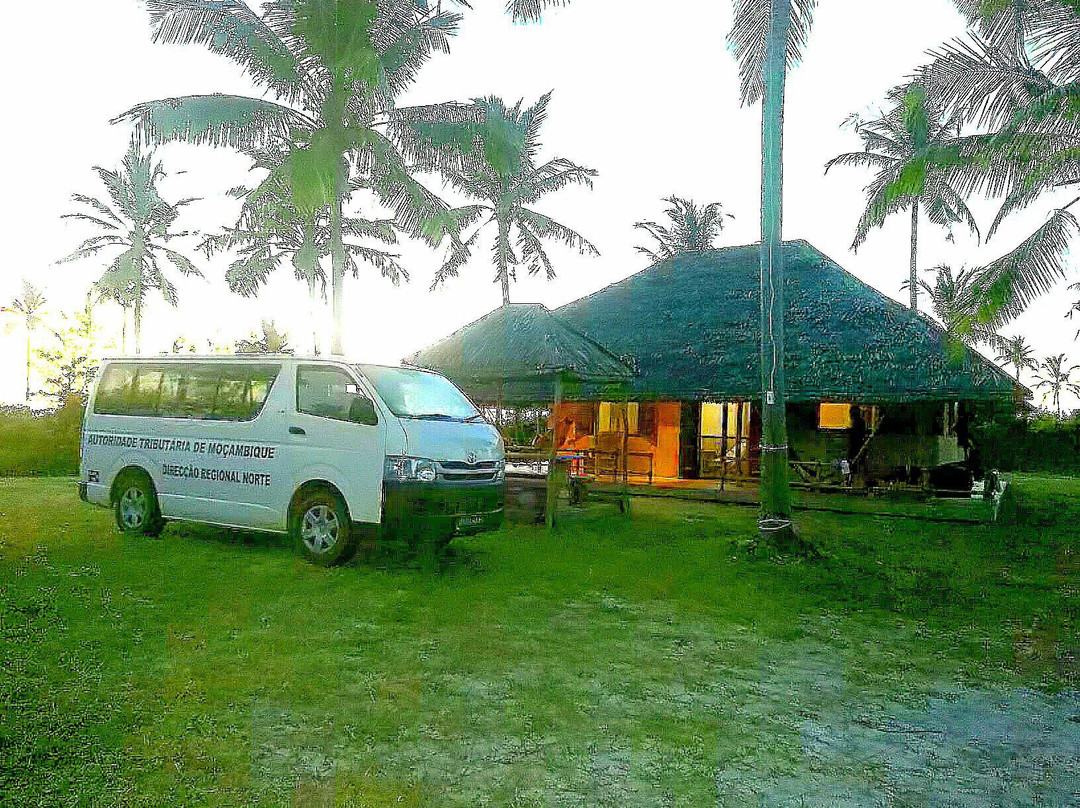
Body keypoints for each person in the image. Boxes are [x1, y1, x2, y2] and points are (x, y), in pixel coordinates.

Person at [848, 405, 867, 480]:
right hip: (858, 446)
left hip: (856, 447)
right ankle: (854, 478)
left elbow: (854, 437)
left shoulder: (857, 423)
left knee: (853, 464)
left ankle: (852, 478)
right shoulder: (860, 422)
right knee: (856, 464)